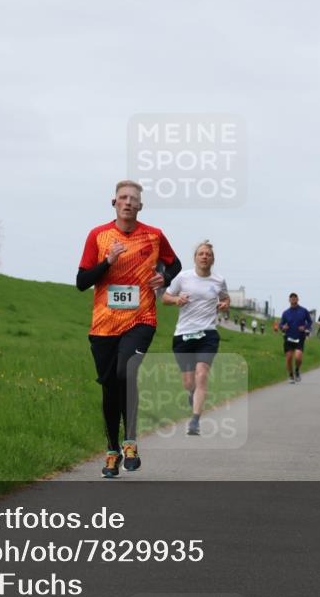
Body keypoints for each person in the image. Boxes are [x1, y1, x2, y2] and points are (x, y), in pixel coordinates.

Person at [77, 180, 180, 478]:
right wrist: (108, 262)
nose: (128, 202)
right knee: (110, 388)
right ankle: (112, 453)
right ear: (114, 203)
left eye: (133, 199)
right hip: (104, 325)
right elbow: (82, 282)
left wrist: (166, 278)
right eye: (123, 198)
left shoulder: (154, 235)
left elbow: (174, 264)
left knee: (127, 371)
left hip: (141, 319)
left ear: (140, 206)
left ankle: (131, 442)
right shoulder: (98, 236)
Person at [161, 240, 230, 436]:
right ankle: (191, 394)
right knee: (189, 382)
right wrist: (176, 300)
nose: (204, 256)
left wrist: (224, 304)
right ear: (195, 258)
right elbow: (165, 298)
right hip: (184, 334)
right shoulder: (182, 278)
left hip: (207, 334)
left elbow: (225, 298)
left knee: (201, 376)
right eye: (201, 253)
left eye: (208, 254)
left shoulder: (218, 280)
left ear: (213, 259)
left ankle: (195, 420)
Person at [280, 293, 312, 383]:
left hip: (300, 337)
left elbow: (310, 322)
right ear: (289, 300)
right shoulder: (286, 313)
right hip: (289, 337)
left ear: (298, 299)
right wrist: (283, 327)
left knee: (298, 357)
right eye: (291, 298)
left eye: (295, 298)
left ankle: (297, 370)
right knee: (289, 357)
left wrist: (305, 327)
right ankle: (291, 375)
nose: (293, 299)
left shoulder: (304, 311)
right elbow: (280, 324)